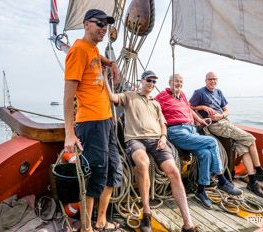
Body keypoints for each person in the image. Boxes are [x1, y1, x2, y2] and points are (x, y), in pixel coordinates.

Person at [105, 70, 198, 232]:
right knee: (143, 163)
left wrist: (163, 137)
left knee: (174, 171)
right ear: (141, 81)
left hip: (157, 140)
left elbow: (163, 124)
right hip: (135, 140)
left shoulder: (156, 103)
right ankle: (146, 212)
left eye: (154, 82)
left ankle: (188, 223)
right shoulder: (129, 96)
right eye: (149, 80)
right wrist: (104, 77)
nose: (152, 84)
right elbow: (112, 97)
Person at [63, 9, 123, 232]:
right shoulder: (78, 50)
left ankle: (101, 221)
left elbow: (97, 58)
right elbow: (68, 96)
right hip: (90, 123)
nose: (103, 29)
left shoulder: (93, 49)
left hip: (106, 121)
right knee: (94, 177)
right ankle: (87, 228)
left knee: (112, 172)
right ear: (86, 24)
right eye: (99, 24)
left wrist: (112, 63)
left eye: (106, 26)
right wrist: (70, 132)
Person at [155, 74, 242, 209]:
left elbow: (189, 109)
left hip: (191, 129)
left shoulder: (182, 95)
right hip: (176, 132)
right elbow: (151, 105)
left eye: (181, 82)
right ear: (170, 82)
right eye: (176, 81)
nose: (179, 84)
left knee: (206, 154)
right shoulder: (161, 96)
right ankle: (222, 180)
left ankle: (201, 191)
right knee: (212, 142)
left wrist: (200, 121)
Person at [189, 71, 263, 198]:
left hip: (225, 121)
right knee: (251, 139)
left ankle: (252, 181)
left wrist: (222, 115)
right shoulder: (199, 92)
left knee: (244, 148)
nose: (213, 81)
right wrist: (203, 107)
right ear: (205, 80)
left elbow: (227, 110)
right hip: (216, 125)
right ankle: (260, 171)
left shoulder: (219, 92)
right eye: (210, 79)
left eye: (215, 79)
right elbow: (189, 107)